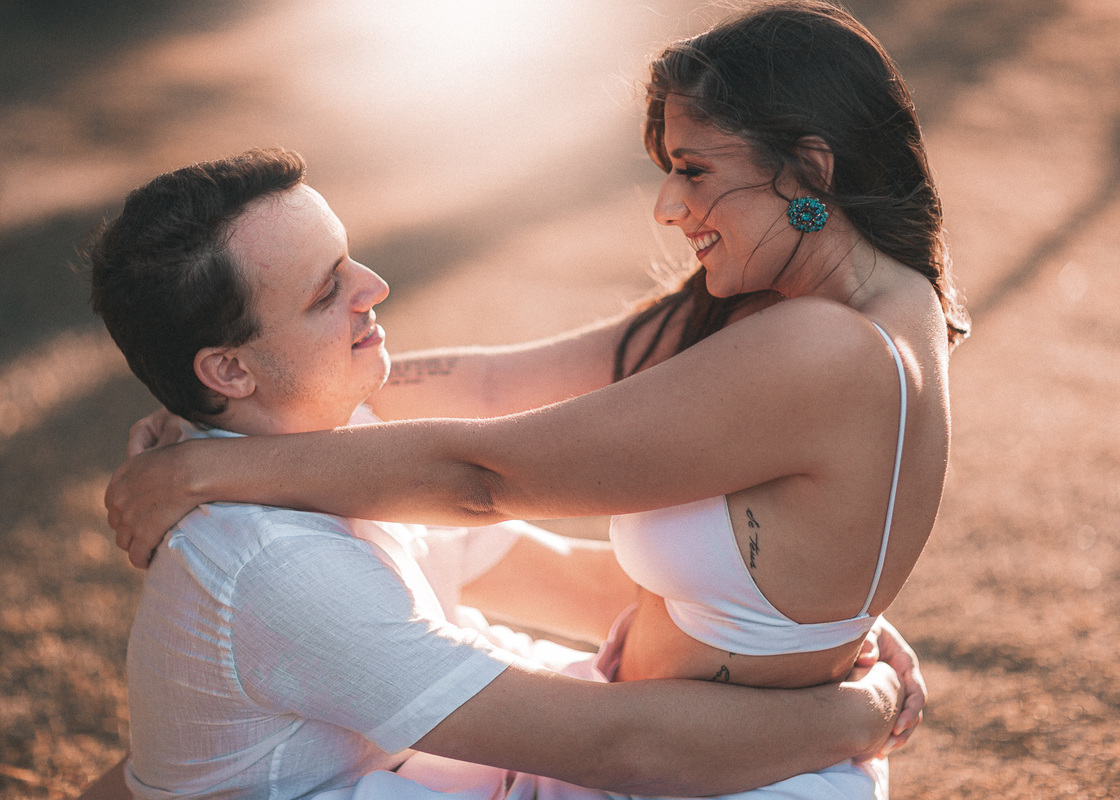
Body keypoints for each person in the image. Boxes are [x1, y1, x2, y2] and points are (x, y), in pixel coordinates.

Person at [87, 147, 918, 800]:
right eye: (324, 292)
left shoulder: (338, 446)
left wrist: (814, 629)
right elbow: (622, 746)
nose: (374, 287)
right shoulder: (273, 563)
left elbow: (560, 582)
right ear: (230, 374)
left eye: (351, 260)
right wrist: (858, 712)